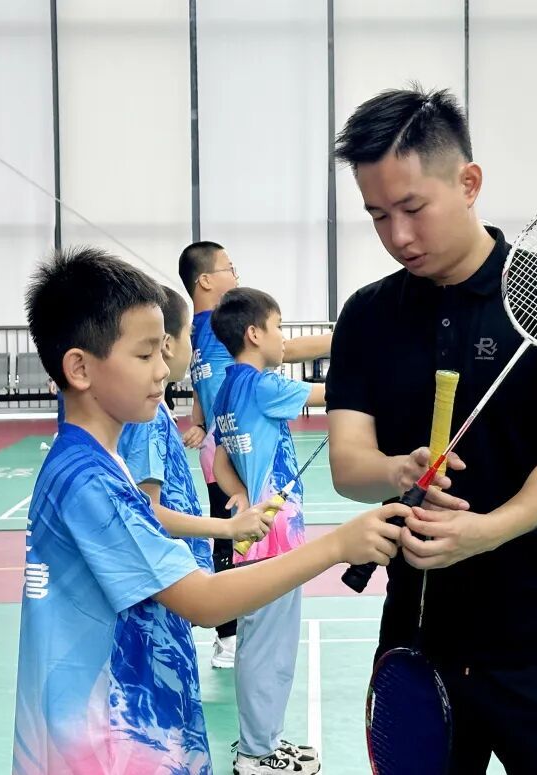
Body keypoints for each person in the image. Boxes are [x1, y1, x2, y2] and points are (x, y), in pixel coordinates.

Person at [12, 246, 405, 774]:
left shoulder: (102, 461)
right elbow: (203, 601)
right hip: (107, 750)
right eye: (145, 355)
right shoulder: (88, 481)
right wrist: (338, 545)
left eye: (163, 351)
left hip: (130, 732)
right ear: (80, 368)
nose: (163, 370)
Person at [326, 86, 537, 774]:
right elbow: (348, 463)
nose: (398, 236)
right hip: (417, 637)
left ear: (468, 183)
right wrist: (395, 469)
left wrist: (483, 531)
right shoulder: (368, 316)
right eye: (377, 215)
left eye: (412, 208)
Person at [177, 240, 331, 669]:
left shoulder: (203, 336)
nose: (236, 275)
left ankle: (230, 637)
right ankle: (228, 638)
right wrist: (352, 339)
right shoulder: (225, 341)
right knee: (267, 625)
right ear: (206, 280)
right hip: (263, 499)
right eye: (229, 268)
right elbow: (290, 356)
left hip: (228, 458)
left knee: (233, 540)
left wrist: (200, 421)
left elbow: (203, 386)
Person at [210, 287, 326, 775]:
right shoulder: (263, 385)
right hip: (274, 539)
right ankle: (257, 753)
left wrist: (240, 497)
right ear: (255, 334)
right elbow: (332, 395)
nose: (284, 338)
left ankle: (263, 742)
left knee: (259, 644)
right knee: (268, 649)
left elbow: (219, 462)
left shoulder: (227, 388)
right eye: (279, 327)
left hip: (253, 533)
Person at [117, 286, 274, 575]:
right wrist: (228, 527)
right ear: (168, 344)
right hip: (167, 570)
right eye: (189, 335)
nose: (192, 345)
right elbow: (147, 510)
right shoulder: (148, 418)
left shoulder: (155, 410)